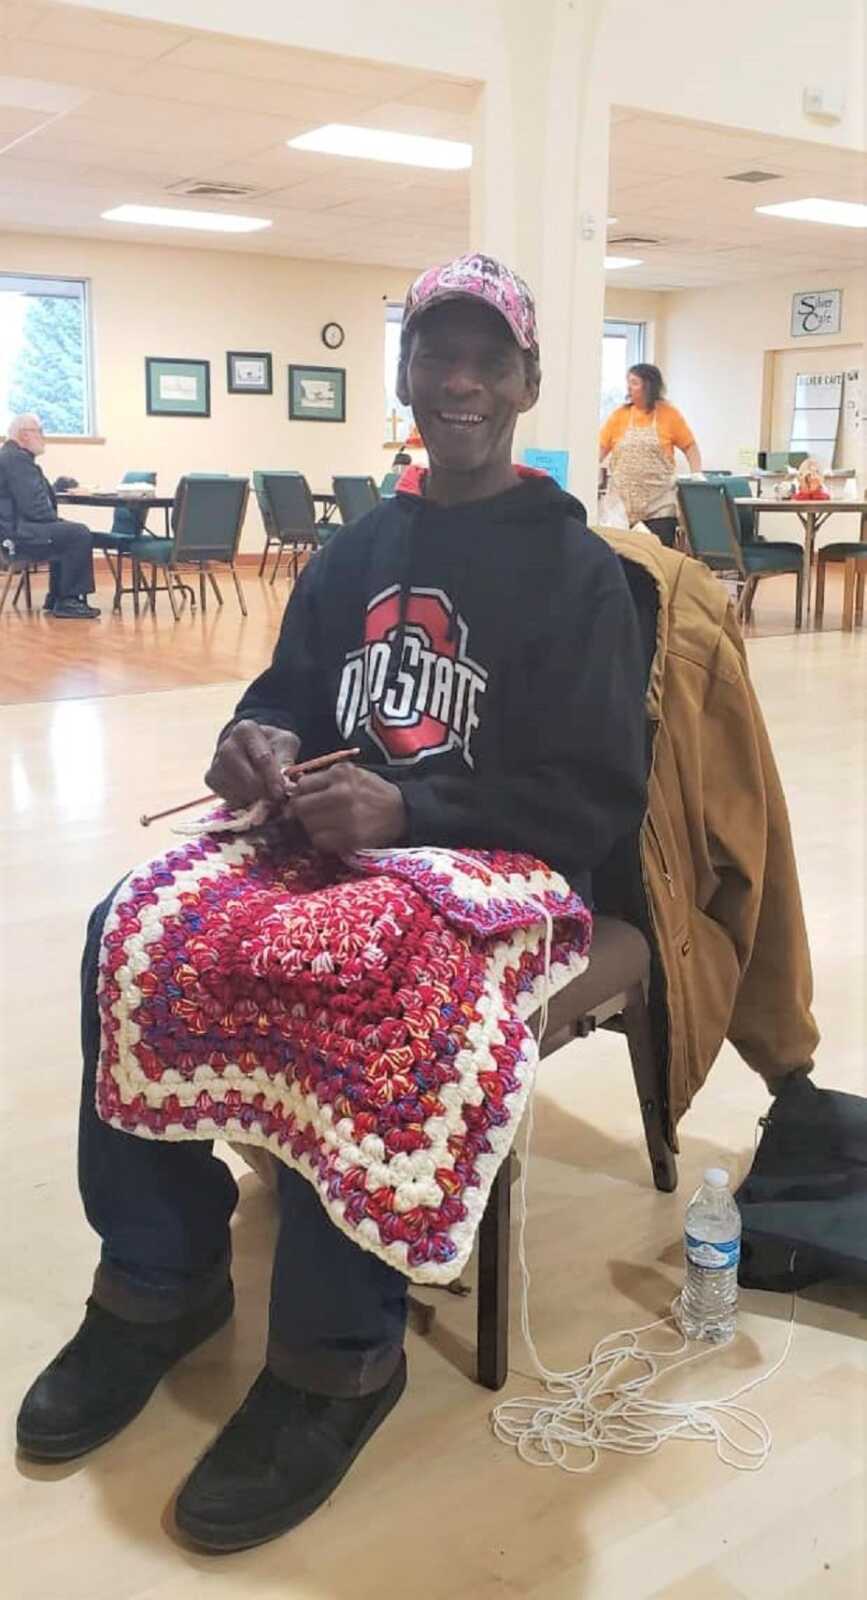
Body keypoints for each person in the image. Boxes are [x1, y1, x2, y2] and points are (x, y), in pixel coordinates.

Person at [17, 253, 649, 1550]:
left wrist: (409, 812)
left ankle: (336, 1356)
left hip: (505, 868)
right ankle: (160, 1271)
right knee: (129, 928)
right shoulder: (360, 545)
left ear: (526, 380)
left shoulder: (576, 573)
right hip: (337, 844)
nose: (459, 380)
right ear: (407, 375)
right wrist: (252, 740)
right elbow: (288, 696)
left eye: (487, 357)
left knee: (353, 972)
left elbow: (591, 798)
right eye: (436, 354)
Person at [0, 414, 99, 619]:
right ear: (24, 435)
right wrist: (57, 521)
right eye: (40, 432)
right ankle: (68, 601)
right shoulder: (17, 460)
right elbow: (34, 507)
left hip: (13, 530)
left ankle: (56, 597)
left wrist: (56, 487)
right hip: (18, 535)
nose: (43, 437)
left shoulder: (12, 457)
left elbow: (27, 495)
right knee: (77, 534)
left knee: (65, 532)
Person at [599, 364, 702, 548]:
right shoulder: (619, 416)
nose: (629, 388)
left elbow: (690, 447)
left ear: (649, 385)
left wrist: (696, 474)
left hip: (658, 509)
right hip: (621, 509)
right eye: (628, 383)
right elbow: (599, 450)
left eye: (634, 383)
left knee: (655, 562)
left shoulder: (669, 415)